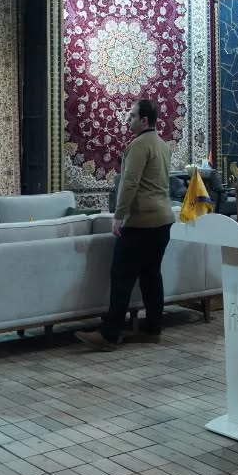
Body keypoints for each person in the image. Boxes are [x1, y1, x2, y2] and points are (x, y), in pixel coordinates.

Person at [77, 99, 173, 350]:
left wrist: (119, 215)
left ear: (144, 120)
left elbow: (129, 183)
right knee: (151, 276)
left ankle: (109, 335)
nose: (127, 120)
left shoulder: (139, 145)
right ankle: (152, 329)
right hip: (163, 220)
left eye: (132, 116)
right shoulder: (162, 145)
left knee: (121, 276)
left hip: (141, 221)